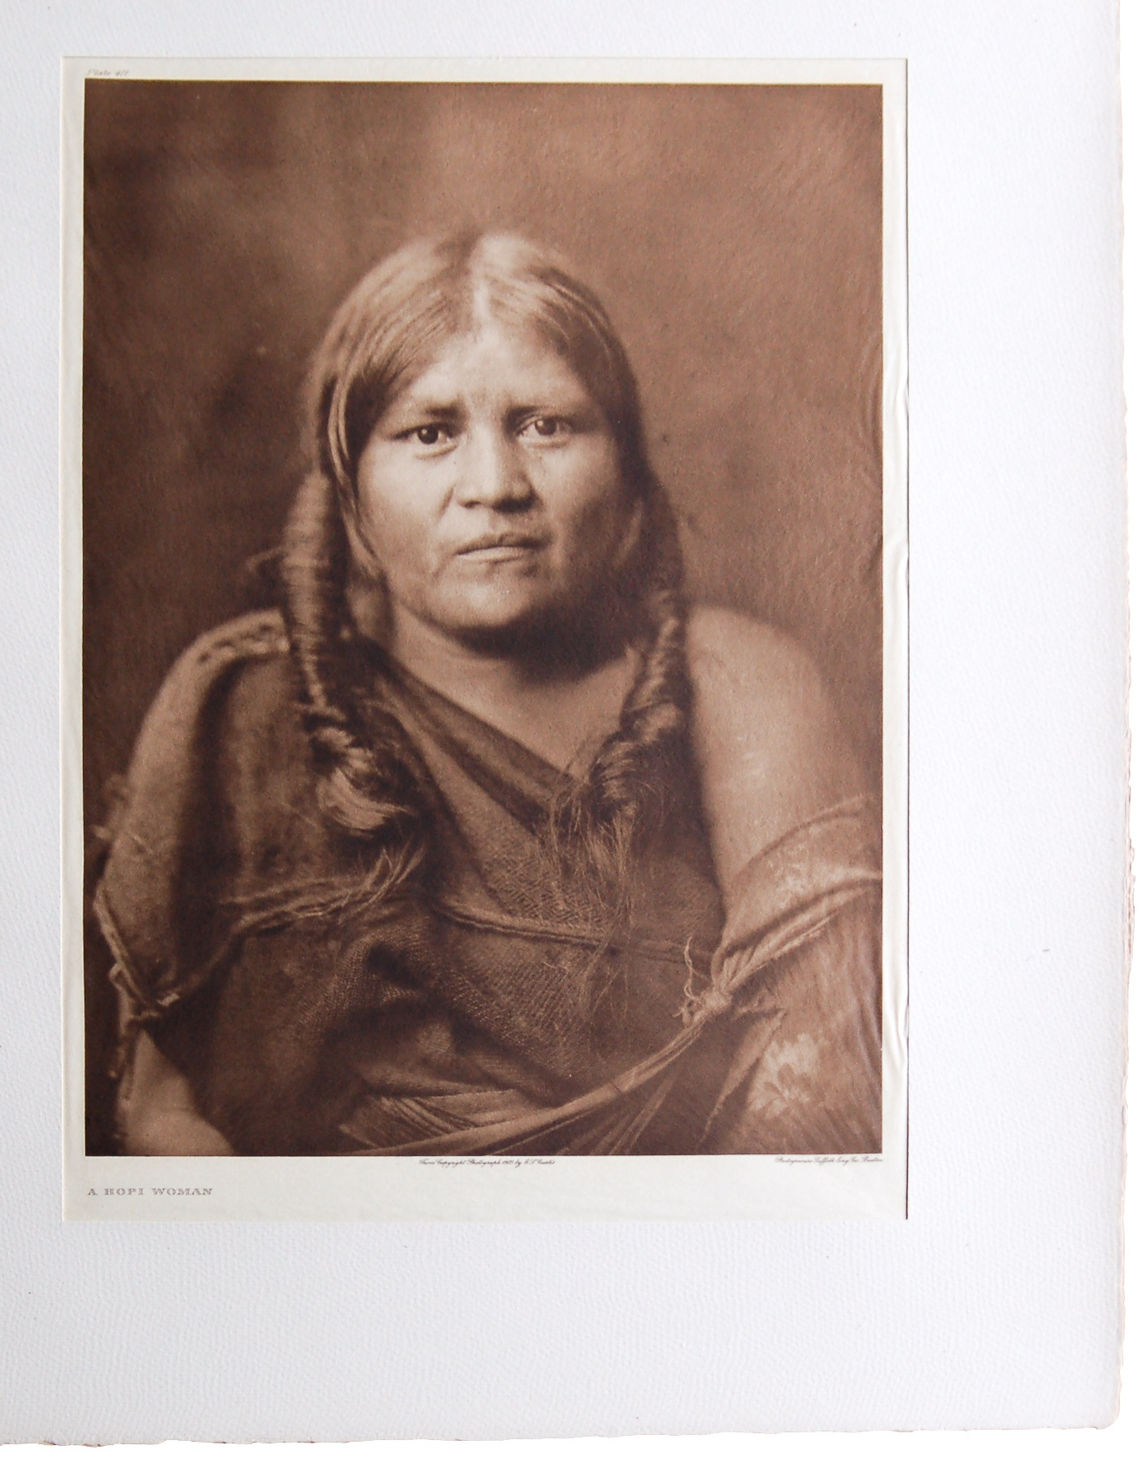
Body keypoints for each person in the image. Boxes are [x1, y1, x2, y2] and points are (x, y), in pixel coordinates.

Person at [92, 231, 882, 1157]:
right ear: (348, 491)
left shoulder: (738, 685)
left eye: (546, 425)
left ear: (625, 472)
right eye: (429, 434)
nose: (494, 486)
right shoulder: (236, 711)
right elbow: (161, 1118)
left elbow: (818, 1100)